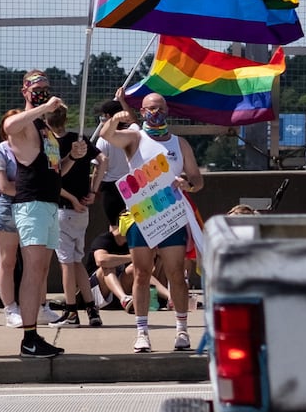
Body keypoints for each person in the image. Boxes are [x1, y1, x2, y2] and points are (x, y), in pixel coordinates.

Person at [101, 88, 204, 353]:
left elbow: (197, 178)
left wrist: (187, 184)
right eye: (149, 108)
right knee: (142, 272)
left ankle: (182, 330)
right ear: (142, 111)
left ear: (167, 111)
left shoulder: (180, 144)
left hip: (171, 214)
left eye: (159, 108)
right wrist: (116, 117)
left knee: (176, 273)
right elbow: (107, 135)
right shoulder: (135, 137)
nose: (154, 113)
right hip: (143, 214)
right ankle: (142, 332)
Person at [4, 70, 71, 359]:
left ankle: (34, 334)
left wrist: (73, 157)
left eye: (45, 87)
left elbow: (55, 170)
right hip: (31, 204)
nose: (41, 91)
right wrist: (44, 107)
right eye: (36, 88)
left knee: (41, 270)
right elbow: (9, 125)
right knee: (32, 270)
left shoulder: (45, 130)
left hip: (48, 202)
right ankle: (28, 337)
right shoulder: (24, 123)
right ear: (25, 91)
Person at [47, 104, 104, 327]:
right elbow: (103, 160)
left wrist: (70, 198)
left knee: (66, 264)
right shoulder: (78, 140)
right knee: (77, 261)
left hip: (63, 209)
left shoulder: (50, 144)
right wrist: (93, 189)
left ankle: (71, 310)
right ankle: (92, 309)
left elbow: (53, 178)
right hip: (83, 209)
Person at [0, 110, 25, 327]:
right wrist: (31, 189)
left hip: (32, 207)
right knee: (8, 261)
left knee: (34, 262)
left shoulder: (35, 149)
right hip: (7, 208)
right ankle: (10, 307)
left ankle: (38, 305)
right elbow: (3, 186)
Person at [94, 98, 131, 229]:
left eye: (103, 115)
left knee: (115, 226)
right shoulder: (133, 134)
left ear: (109, 116)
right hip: (132, 184)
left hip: (111, 187)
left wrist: (94, 189)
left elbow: (98, 167)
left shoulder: (103, 140)